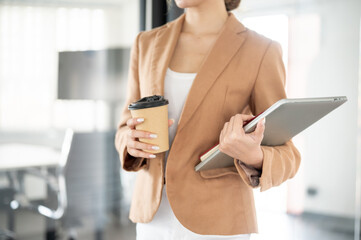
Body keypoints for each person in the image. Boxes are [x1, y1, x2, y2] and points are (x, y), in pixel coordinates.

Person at [114, 0, 302, 239]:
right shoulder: (146, 43)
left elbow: (288, 154)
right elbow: (123, 127)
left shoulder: (260, 50)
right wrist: (129, 142)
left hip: (219, 221)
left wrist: (253, 156)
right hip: (153, 218)